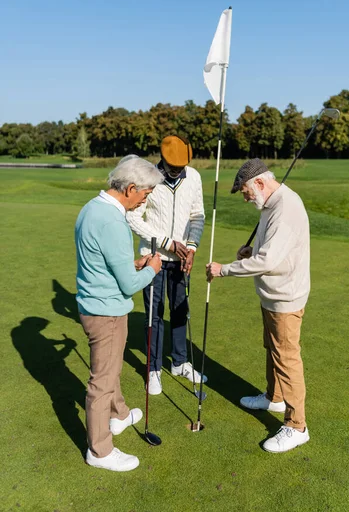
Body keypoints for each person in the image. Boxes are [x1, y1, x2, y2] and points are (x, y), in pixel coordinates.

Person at [206, 158, 310, 453]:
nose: (245, 197)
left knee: (287, 358)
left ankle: (297, 425)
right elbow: (268, 251)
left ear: (260, 183)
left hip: (285, 297)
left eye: (246, 192)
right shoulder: (270, 204)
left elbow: (268, 261)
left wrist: (223, 269)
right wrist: (250, 251)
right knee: (273, 348)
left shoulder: (285, 208)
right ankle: (274, 397)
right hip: (273, 293)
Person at [75, 155, 163, 472]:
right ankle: (99, 450)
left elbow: (107, 264)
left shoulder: (92, 208)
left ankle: (120, 414)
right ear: (129, 188)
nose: (145, 199)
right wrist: (151, 268)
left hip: (92, 304)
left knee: (110, 369)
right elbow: (127, 285)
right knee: (102, 382)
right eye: (145, 193)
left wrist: (132, 264)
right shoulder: (113, 222)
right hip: (107, 311)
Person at [126, 135, 206, 395]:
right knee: (155, 314)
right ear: (162, 160)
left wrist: (191, 248)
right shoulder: (147, 179)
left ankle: (180, 363)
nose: (178, 172)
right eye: (173, 168)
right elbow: (133, 218)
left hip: (182, 258)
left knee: (181, 311)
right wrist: (167, 243)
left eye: (182, 167)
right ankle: (154, 369)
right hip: (155, 257)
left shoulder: (193, 177)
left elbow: (197, 216)